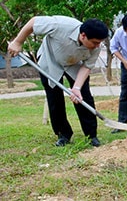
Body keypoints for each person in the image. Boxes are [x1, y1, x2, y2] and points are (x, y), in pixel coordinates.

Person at [8, 15, 109, 147]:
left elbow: (86, 67)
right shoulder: (60, 25)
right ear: (83, 36)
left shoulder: (96, 47)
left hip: (74, 64)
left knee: (84, 97)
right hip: (51, 60)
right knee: (54, 99)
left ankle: (91, 135)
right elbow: (33, 22)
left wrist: (77, 88)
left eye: (99, 43)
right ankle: (63, 134)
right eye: (95, 42)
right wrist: (18, 42)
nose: (97, 46)